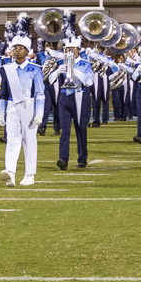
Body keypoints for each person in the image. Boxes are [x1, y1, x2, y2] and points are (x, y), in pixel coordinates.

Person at [0, 19, 45, 187]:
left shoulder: (35, 69)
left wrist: (39, 113)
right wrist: (0, 113)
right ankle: (10, 172)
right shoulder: (6, 69)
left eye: (19, 48)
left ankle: (30, 174)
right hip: (12, 106)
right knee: (12, 139)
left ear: (26, 51)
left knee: (29, 140)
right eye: (14, 48)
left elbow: (40, 93)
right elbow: (3, 93)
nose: (16, 51)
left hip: (29, 106)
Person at [51, 11, 94, 169]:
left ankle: (82, 158)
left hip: (79, 97)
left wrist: (74, 70)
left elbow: (89, 81)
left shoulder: (85, 63)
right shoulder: (61, 62)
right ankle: (63, 159)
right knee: (65, 130)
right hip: (64, 97)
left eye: (72, 49)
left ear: (78, 50)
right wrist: (58, 71)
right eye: (67, 49)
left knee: (80, 128)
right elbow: (49, 80)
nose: (69, 52)